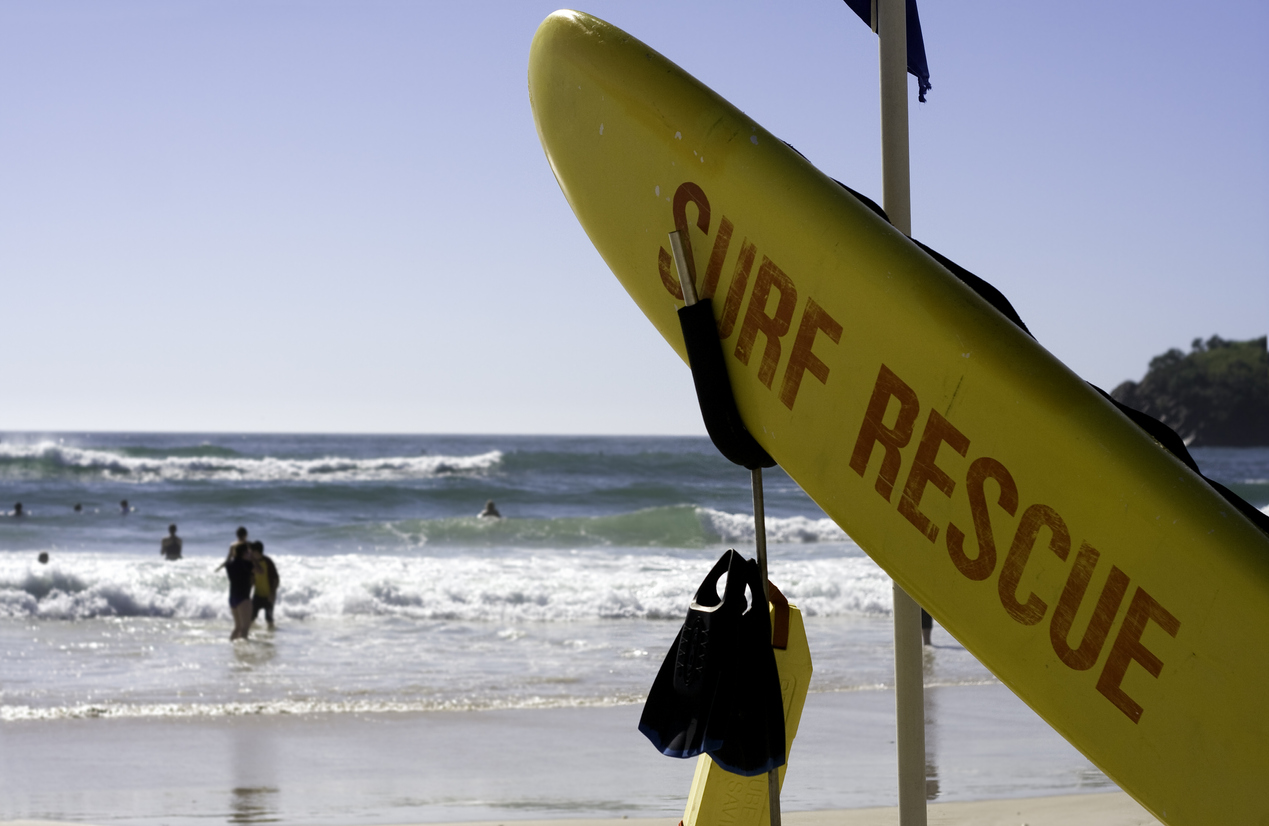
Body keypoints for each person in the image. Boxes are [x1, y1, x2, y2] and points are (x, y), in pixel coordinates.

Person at [224, 543, 256, 641]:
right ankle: (244, 652)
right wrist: (253, 559)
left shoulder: (229, 564)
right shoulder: (247, 564)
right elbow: (260, 571)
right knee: (245, 628)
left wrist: (231, 553)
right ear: (243, 553)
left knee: (237, 627)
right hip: (243, 598)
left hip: (232, 598)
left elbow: (227, 561)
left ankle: (231, 646)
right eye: (247, 552)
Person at [249, 541, 280, 630]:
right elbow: (251, 579)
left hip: (268, 595)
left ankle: (271, 637)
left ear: (257, 552)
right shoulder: (252, 563)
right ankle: (251, 635)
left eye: (252, 551)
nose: (250, 553)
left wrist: (272, 593)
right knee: (251, 618)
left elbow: (276, 579)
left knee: (269, 619)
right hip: (257, 595)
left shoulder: (268, 562)